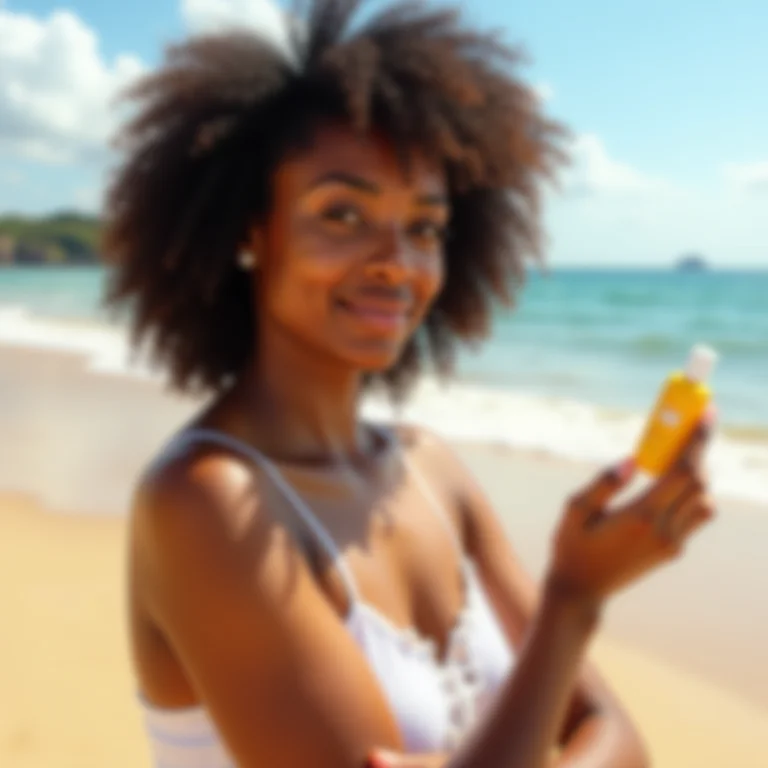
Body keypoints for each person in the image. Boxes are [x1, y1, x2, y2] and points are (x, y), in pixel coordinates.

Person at [102, 1, 715, 766]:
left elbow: (625, 746)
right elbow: (580, 734)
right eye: (343, 214)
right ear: (248, 232)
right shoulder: (204, 502)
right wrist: (571, 601)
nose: (398, 261)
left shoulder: (430, 472)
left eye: (425, 227)